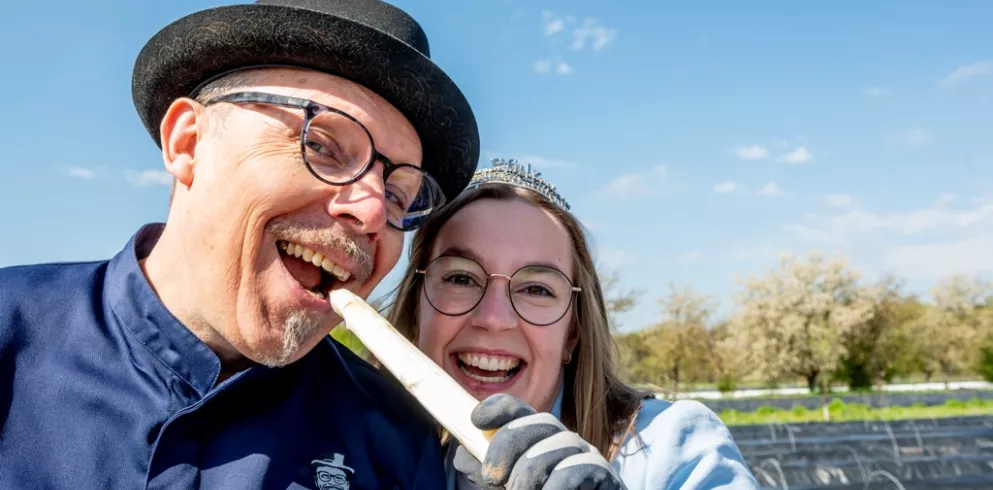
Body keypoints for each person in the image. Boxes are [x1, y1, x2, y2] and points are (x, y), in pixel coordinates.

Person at [0, 0, 482, 488]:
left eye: (399, 195)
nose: (374, 211)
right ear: (188, 143)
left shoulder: (396, 439)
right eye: (321, 146)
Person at [387, 159, 760, 489]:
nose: (493, 319)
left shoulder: (673, 445)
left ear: (573, 333)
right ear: (417, 309)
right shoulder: (378, 459)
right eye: (461, 279)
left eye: (537, 288)